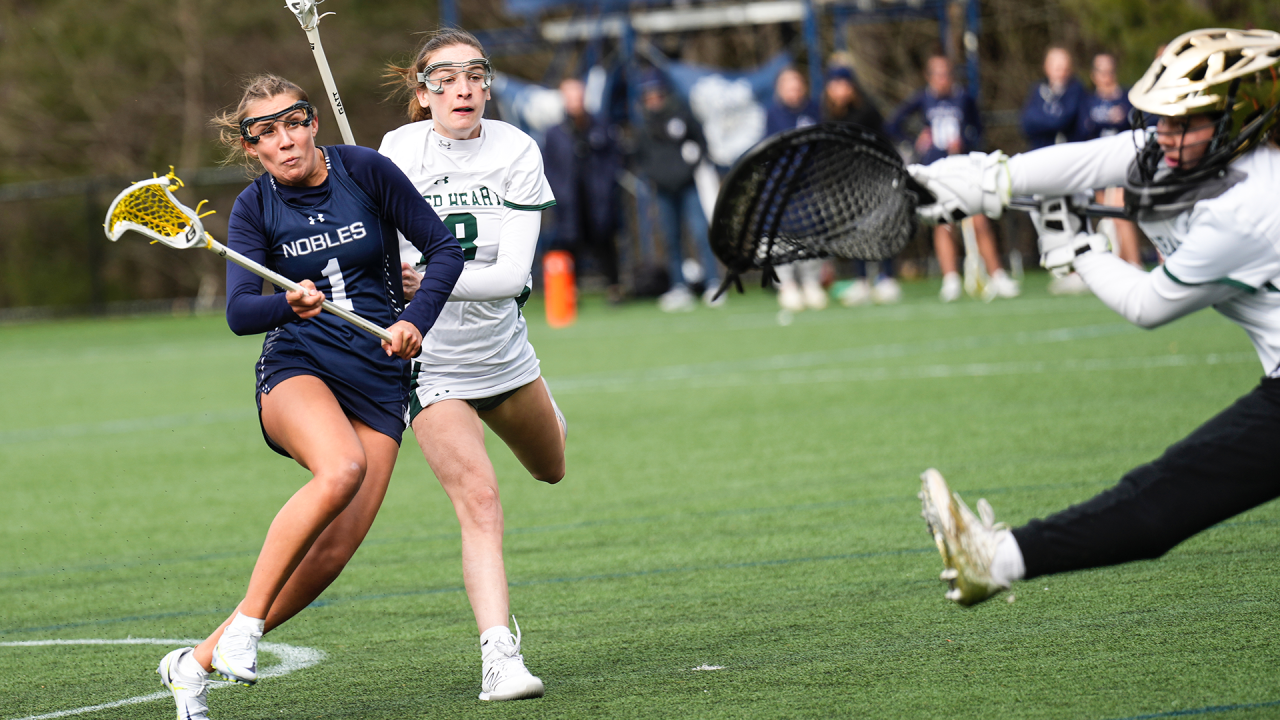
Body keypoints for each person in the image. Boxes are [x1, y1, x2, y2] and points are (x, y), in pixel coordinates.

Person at [909, 28, 1280, 607]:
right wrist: (986, 179)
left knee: (1164, 496)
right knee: (1166, 498)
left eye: (1187, 121)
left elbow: (1149, 304)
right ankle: (996, 559)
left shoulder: (1252, 207)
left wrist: (1079, 252)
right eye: (1162, 118)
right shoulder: (1192, 152)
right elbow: (1091, 161)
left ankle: (996, 559)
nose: (1167, 135)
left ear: (1243, 116)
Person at [157, 74, 464, 720]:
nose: (284, 140)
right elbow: (241, 313)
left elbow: (443, 249)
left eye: (293, 122)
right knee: (342, 467)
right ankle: (248, 628)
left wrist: (416, 322)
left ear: (313, 122)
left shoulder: (367, 173)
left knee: (332, 552)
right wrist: (287, 305)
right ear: (251, 148)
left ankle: (195, 663)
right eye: (264, 132)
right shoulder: (253, 208)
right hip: (300, 366)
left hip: (380, 378)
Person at [380, 28, 566, 702]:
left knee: (551, 467)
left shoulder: (517, 149)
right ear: (422, 92)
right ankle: (500, 656)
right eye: (445, 76)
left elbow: (515, 275)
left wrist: (423, 278)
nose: (462, 87)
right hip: (432, 364)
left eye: (475, 74)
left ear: (487, 85)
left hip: (505, 352)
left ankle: (542, 412)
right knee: (481, 503)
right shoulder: (397, 152)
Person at [888, 54, 1019, 302]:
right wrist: (916, 141)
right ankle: (950, 279)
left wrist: (965, 142)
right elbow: (894, 123)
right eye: (937, 74)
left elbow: (978, 131)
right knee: (943, 224)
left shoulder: (963, 98)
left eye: (946, 73)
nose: (942, 79)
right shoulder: (923, 99)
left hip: (965, 167)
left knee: (979, 219)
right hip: (936, 170)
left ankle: (997, 275)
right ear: (929, 77)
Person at [634, 70, 723, 311]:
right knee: (671, 239)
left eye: (656, 94)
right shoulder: (644, 126)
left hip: (688, 185)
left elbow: (701, 142)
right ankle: (679, 286)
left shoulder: (681, 114)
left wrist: (693, 163)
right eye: (648, 95)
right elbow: (641, 157)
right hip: (663, 189)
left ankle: (713, 283)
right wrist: (654, 175)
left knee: (699, 233)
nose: (653, 99)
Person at [542, 76, 624, 304]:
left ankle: (614, 288)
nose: (575, 101)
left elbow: (614, 160)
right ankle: (570, 292)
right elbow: (550, 167)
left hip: (598, 198)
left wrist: (607, 187)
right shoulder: (555, 133)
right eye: (570, 96)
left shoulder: (601, 126)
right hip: (570, 201)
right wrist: (559, 193)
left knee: (605, 241)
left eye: (578, 95)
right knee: (570, 244)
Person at [822, 64, 899, 306]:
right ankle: (862, 280)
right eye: (834, 84)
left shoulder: (867, 112)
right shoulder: (828, 116)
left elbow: (884, 142)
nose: (839, 89)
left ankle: (886, 277)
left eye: (843, 84)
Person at [766, 66, 829, 311]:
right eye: (788, 87)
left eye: (796, 85)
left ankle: (811, 283)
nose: (793, 91)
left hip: (811, 184)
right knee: (783, 235)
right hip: (784, 186)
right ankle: (788, 285)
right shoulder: (773, 114)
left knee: (813, 233)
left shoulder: (814, 110)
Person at [1078, 52, 1143, 269]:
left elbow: (1135, 123)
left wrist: (1121, 118)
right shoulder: (1088, 101)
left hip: (1122, 163)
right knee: (1107, 216)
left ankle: (1134, 262)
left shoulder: (1126, 98)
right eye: (1101, 71)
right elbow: (1084, 129)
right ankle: (1121, 263)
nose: (1106, 76)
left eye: (1110, 71)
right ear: (1093, 75)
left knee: (1119, 211)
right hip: (1098, 164)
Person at [1021, 47, 1086, 150]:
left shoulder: (1076, 90)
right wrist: (1052, 120)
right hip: (1041, 152)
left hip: (1069, 152)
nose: (1062, 74)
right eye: (1058, 69)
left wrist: (1043, 121)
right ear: (1047, 68)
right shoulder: (1037, 90)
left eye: (1066, 69)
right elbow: (1027, 123)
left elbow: (1062, 121)